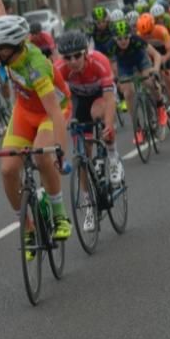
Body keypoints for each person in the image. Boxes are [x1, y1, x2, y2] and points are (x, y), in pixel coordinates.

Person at [0, 0, 74, 258]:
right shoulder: (6, 41)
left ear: (13, 48)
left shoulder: (36, 67)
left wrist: (61, 153)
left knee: (42, 158)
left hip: (51, 110)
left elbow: (54, 114)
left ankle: (59, 212)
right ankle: (27, 226)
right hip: (25, 110)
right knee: (7, 169)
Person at [54, 30, 123, 233]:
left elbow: (109, 99)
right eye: (68, 57)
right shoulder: (59, 69)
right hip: (78, 100)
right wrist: (63, 121)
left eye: (77, 55)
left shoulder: (99, 61)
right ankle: (88, 203)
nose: (73, 61)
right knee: (82, 156)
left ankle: (112, 156)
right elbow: (56, 102)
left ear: (86, 52)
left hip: (101, 97)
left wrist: (109, 126)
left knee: (99, 115)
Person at [109, 19, 163, 146]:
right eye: (119, 38)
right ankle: (137, 128)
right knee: (128, 93)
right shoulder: (111, 46)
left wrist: (155, 69)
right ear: (115, 39)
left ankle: (160, 106)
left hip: (141, 61)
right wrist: (114, 78)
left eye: (126, 38)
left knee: (149, 82)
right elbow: (110, 64)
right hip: (124, 66)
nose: (123, 41)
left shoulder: (137, 40)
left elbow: (156, 55)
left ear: (130, 36)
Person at [136, 13, 170, 127]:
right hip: (149, 55)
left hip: (164, 53)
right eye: (144, 34)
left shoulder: (161, 31)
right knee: (149, 80)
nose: (146, 36)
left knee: (169, 79)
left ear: (153, 27)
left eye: (148, 33)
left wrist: (164, 58)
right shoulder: (139, 35)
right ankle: (158, 104)